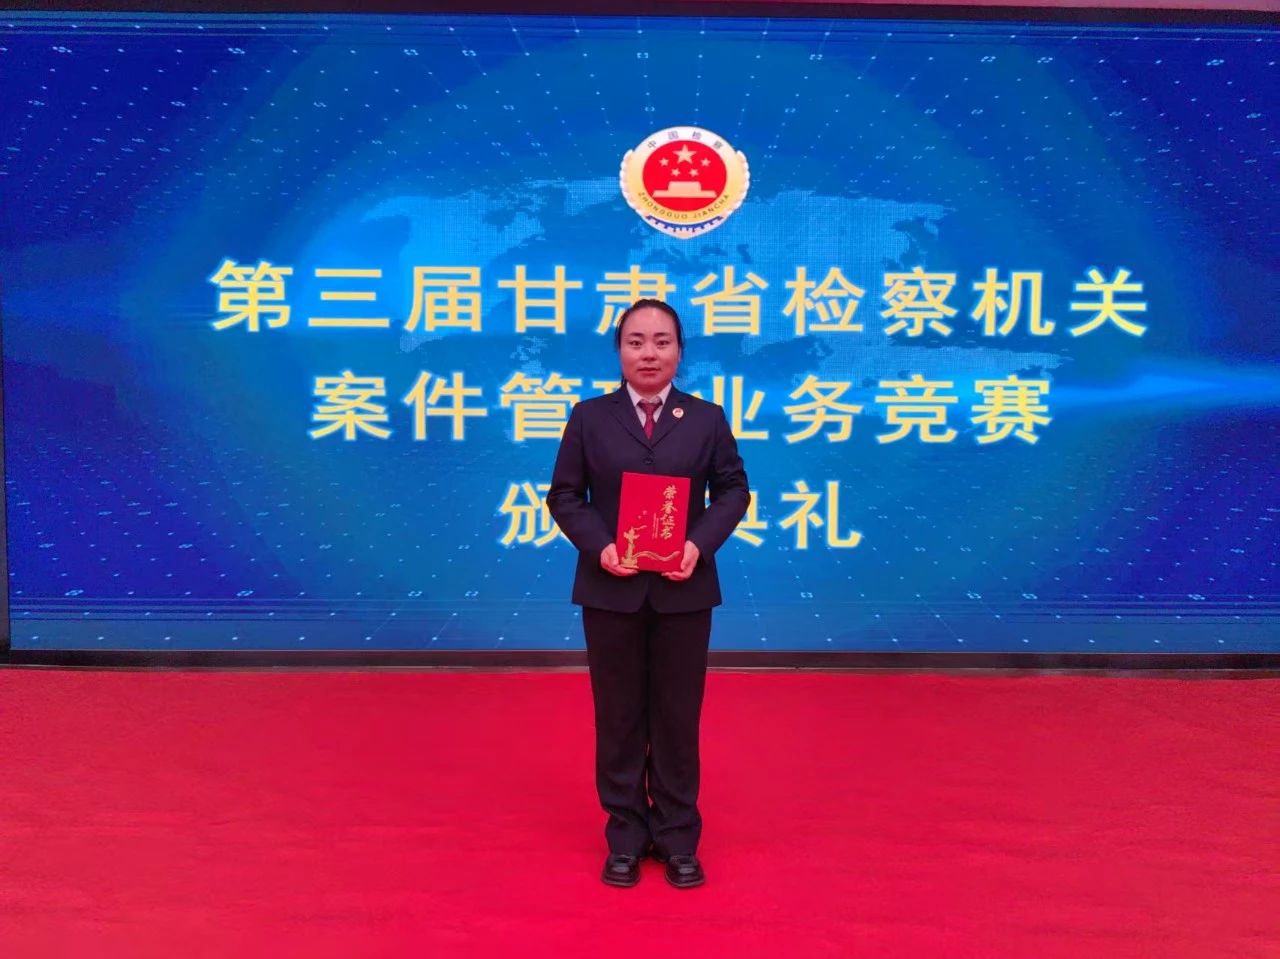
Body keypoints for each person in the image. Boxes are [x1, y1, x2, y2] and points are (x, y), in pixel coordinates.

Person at [547, 298, 750, 889]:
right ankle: (626, 836)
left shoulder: (706, 419)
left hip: (684, 592)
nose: (649, 353)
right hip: (611, 591)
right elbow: (565, 495)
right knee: (618, 718)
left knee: (677, 718)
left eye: (662, 341)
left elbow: (733, 490)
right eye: (636, 341)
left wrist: (698, 545)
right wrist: (600, 546)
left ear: (680, 351)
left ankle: (679, 836)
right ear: (619, 351)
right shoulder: (589, 417)